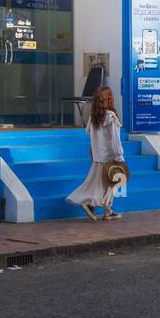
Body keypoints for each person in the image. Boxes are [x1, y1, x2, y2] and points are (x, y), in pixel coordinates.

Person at [67, 86, 125, 221]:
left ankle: (107, 211)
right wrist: (119, 155)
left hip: (98, 156)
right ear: (109, 99)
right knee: (111, 184)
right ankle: (91, 204)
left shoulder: (93, 117)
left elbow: (88, 132)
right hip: (110, 156)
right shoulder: (111, 117)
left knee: (98, 184)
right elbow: (115, 139)